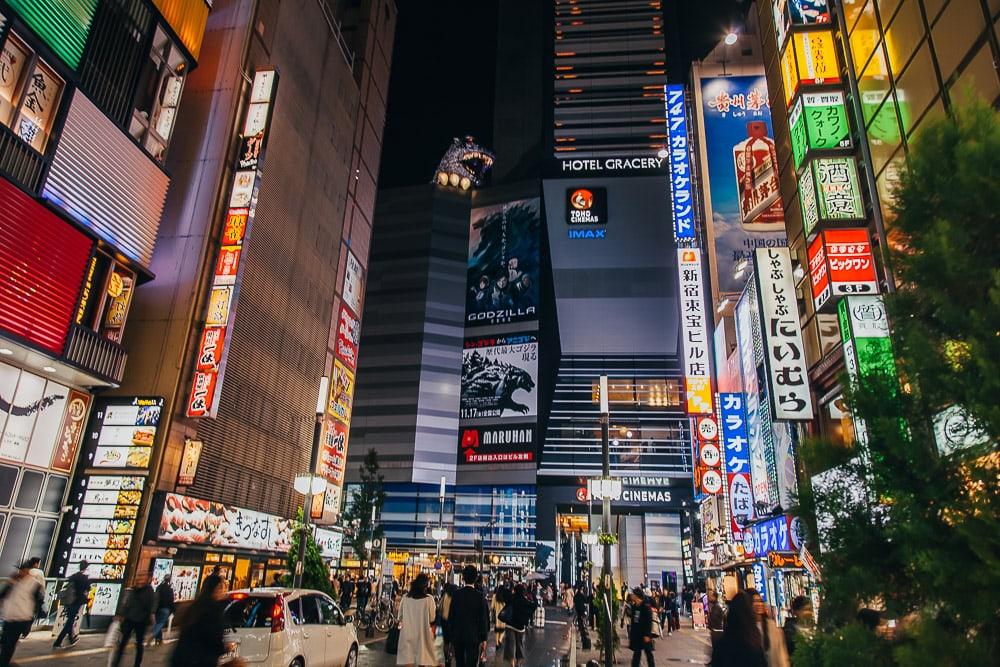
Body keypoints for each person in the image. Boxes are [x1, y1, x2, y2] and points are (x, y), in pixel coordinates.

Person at [170, 574, 228, 667]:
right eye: (221, 588)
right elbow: (214, 639)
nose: (223, 591)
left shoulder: (193, 606)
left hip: (181, 658)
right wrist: (225, 648)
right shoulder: (213, 610)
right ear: (215, 589)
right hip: (201, 660)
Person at [0, 561, 44, 666]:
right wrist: (11, 583)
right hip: (9, 617)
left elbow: (36, 604)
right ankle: (3, 661)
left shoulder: (35, 585)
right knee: (6, 641)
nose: (21, 572)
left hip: (22, 618)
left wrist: (29, 623)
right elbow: (3, 595)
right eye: (20, 570)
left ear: (28, 571)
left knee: (10, 642)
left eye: (23, 570)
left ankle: (4, 662)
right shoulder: (14, 582)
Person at [112, 570, 155, 667]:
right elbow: (128, 604)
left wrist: (150, 619)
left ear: (146, 579)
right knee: (122, 643)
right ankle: (116, 663)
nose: (139, 578)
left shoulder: (149, 590)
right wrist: (121, 614)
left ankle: (137, 664)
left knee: (139, 643)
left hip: (141, 621)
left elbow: (150, 607)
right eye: (138, 576)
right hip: (130, 619)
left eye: (142, 576)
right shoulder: (134, 589)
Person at [448, 566, 490, 667]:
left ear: (463, 577)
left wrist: (451, 636)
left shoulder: (456, 594)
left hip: (458, 635)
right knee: (472, 662)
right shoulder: (480, 597)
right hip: (474, 636)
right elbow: (483, 619)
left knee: (459, 662)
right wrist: (484, 638)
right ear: (476, 578)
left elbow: (451, 617)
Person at [397, 573, 437, 667]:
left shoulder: (405, 598)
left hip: (407, 633)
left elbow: (400, 617)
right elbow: (432, 618)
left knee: (409, 661)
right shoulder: (429, 599)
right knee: (422, 661)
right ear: (425, 586)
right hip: (423, 634)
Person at [53, 560, 90, 649]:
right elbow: (88, 588)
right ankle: (57, 642)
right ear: (85, 568)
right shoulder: (84, 578)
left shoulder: (74, 576)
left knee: (70, 619)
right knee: (69, 623)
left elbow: (67, 582)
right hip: (76, 601)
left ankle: (71, 638)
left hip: (68, 601)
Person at [748, 589, 790, 667]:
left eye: (760, 601)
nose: (759, 604)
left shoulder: (772, 627)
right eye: (754, 601)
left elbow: (782, 655)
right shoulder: (746, 629)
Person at [501, 583, 537, 667]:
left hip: (510, 626)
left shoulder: (511, 598)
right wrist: (533, 596)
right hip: (520, 627)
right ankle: (518, 661)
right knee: (519, 646)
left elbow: (505, 594)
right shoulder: (524, 601)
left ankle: (511, 663)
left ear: (515, 590)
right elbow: (534, 606)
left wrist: (510, 588)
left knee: (510, 646)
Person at [627, 587, 655, 667]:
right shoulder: (635, 606)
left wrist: (647, 634)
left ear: (637, 596)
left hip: (644, 634)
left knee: (648, 653)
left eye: (633, 594)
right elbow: (634, 620)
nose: (631, 595)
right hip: (637, 634)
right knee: (637, 654)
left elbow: (649, 621)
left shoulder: (645, 606)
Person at [151, 574, 176, 645]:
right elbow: (171, 600)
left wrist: (153, 609)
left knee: (158, 623)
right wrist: (173, 610)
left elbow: (156, 598)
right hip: (166, 608)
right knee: (161, 623)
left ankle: (158, 638)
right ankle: (154, 635)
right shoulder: (170, 589)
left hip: (158, 608)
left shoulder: (159, 587)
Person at [572, 584, 591, 648]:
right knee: (582, 624)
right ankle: (583, 639)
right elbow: (586, 601)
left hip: (578, 610)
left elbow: (574, 602)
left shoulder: (576, 595)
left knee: (580, 623)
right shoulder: (582, 595)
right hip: (582, 610)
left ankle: (582, 636)